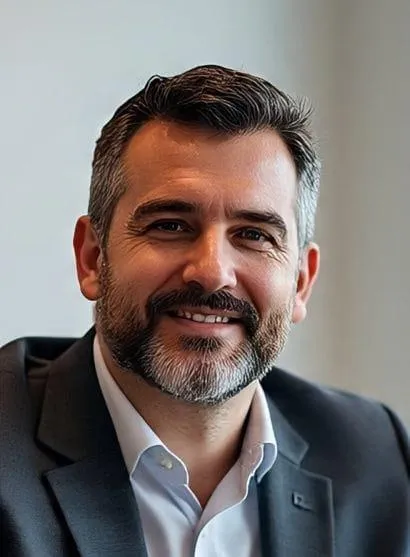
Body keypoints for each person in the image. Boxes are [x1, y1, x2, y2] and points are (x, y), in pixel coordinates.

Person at [0, 65, 408, 557]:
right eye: (171, 225)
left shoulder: (374, 458)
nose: (212, 272)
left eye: (254, 235)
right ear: (92, 258)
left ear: (301, 281)